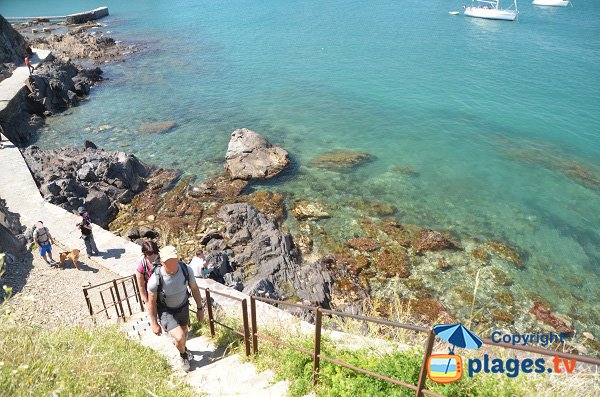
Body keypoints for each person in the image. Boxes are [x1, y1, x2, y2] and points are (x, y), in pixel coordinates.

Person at [147, 246, 205, 371]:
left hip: (183, 306)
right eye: (169, 262)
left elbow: (194, 288)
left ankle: (183, 348)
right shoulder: (155, 280)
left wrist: (200, 308)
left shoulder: (186, 270)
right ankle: (183, 355)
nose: (173, 265)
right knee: (179, 337)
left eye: (174, 260)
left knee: (184, 332)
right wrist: (154, 323)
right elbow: (151, 302)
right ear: (162, 262)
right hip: (166, 311)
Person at [135, 240, 160, 308]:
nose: (153, 258)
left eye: (155, 255)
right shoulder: (142, 265)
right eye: (150, 256)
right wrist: (146, 302)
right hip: (151, 292)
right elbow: (141, 286)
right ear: (145, 254)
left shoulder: (162, 259)